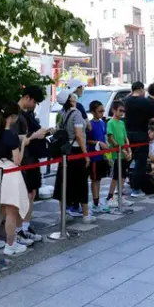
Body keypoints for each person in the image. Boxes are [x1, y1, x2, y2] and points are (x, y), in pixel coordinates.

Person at [0, 102, 32, 255]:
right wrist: (23, 144)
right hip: (11, 174)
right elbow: (17, 160)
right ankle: (10, 245)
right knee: (11, 212)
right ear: (13, 116)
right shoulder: (11, 135)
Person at [12, 86, 50, 243]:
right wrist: (34, 136)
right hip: (21, 159)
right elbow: (13, 138)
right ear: (27, 97)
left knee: (31, 193)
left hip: (31, 157)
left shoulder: (27, 114)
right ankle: (18, 231)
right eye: (34, 101)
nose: (35, 105)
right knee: (23, 196)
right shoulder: (14, 113)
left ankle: (25, 227)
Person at [54, 91, 96, 223]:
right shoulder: (76, 113)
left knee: (63, 182)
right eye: (72, 96)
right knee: (81, 182)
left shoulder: (62, 113)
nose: (74, 96)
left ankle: (64, 214)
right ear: (70, 100)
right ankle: (86, 215)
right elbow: (79, 135)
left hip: (65, 151)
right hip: (77, 151)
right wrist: (86, 154)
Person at [124, 82, 154, 193]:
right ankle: (135, 189)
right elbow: (152, 117)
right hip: (141, 135)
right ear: (141, 89)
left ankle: (119, 186)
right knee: (140, 163)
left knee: (125, 161)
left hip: (127, 135)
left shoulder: (125, 101)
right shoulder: (145, 102)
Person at [86, 100, 111, 212]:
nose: (102, 113)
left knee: (99, 179)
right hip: (94, 156)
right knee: (95, 179)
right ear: (93, 112)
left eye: (103, 111)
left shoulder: (102, 123)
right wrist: (98, 143)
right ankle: (95, 202)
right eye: (100, 111)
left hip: (102, 155)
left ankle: (97, 201)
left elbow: (104, 137)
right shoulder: (90, 124)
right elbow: (87, 140)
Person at [106, 100, 130, 207]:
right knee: (115, 176)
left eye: (123, 111)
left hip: (124, 153)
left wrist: (129, 150)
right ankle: (110, 197)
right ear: (114, 110)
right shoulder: (110, 122)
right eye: (120, 110)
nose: (122, 113)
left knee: (123, 176)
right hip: (116, 154)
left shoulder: (122, 123)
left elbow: (125, 138)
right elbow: (111, 138)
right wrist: (122, 150)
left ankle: (120, 196)